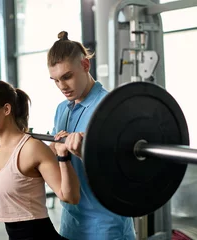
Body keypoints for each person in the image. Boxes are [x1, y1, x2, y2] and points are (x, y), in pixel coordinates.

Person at [47, 31, 136, 240]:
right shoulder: (62, 109)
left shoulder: (111, 108)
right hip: (70, 221)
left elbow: (126, 174)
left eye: (67, 77)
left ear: (85, 65)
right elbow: (57, 162)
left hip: (106, 225)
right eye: (55, 80)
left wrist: (85, 155)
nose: (62, 87)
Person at [0, 80, 80, 240]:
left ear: (6, 109)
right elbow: (2, 139)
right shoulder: (0, 144)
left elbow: (70, 197)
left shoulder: (33, 149)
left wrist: (63, 156)